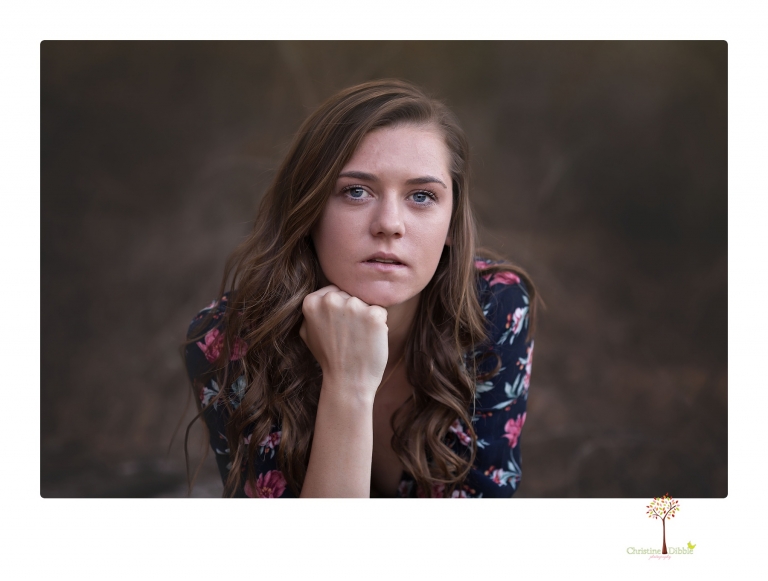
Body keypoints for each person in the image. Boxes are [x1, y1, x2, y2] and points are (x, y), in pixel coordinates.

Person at [184, 79, 538, 498]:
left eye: (422, 196)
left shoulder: (494, 308)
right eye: (356, 191)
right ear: (308, 208)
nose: (389, 223)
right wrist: (347, 384)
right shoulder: (226, 340)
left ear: (451, 224)